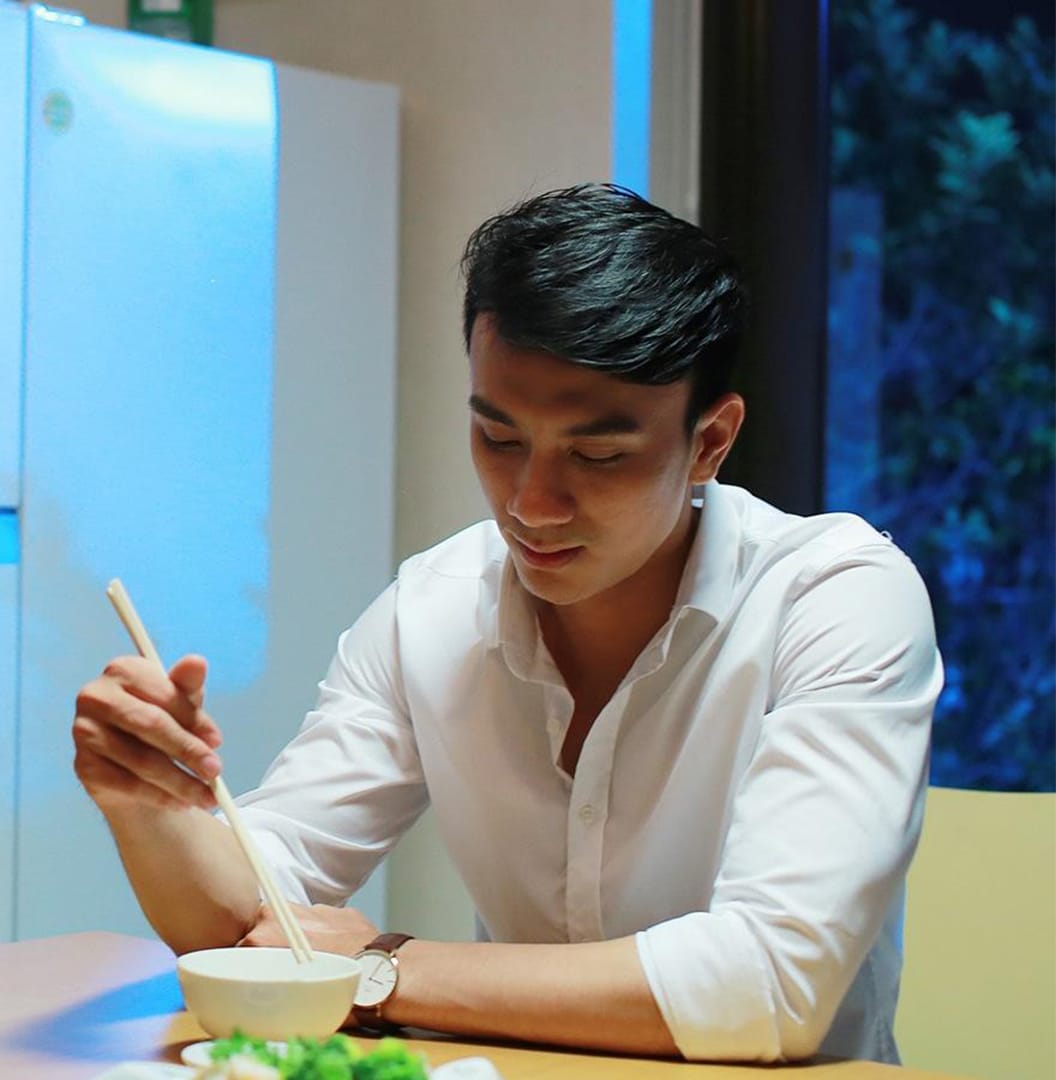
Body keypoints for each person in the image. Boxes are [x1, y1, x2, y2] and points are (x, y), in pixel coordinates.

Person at [71, 184, 940, 1064]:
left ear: (710, 442)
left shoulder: (834, 598)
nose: (532, 504)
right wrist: (148, 806)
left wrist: (383, 970)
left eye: (597, 455)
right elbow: (256, 922)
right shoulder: (432, 610)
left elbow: (771, 985)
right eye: (500, 439)